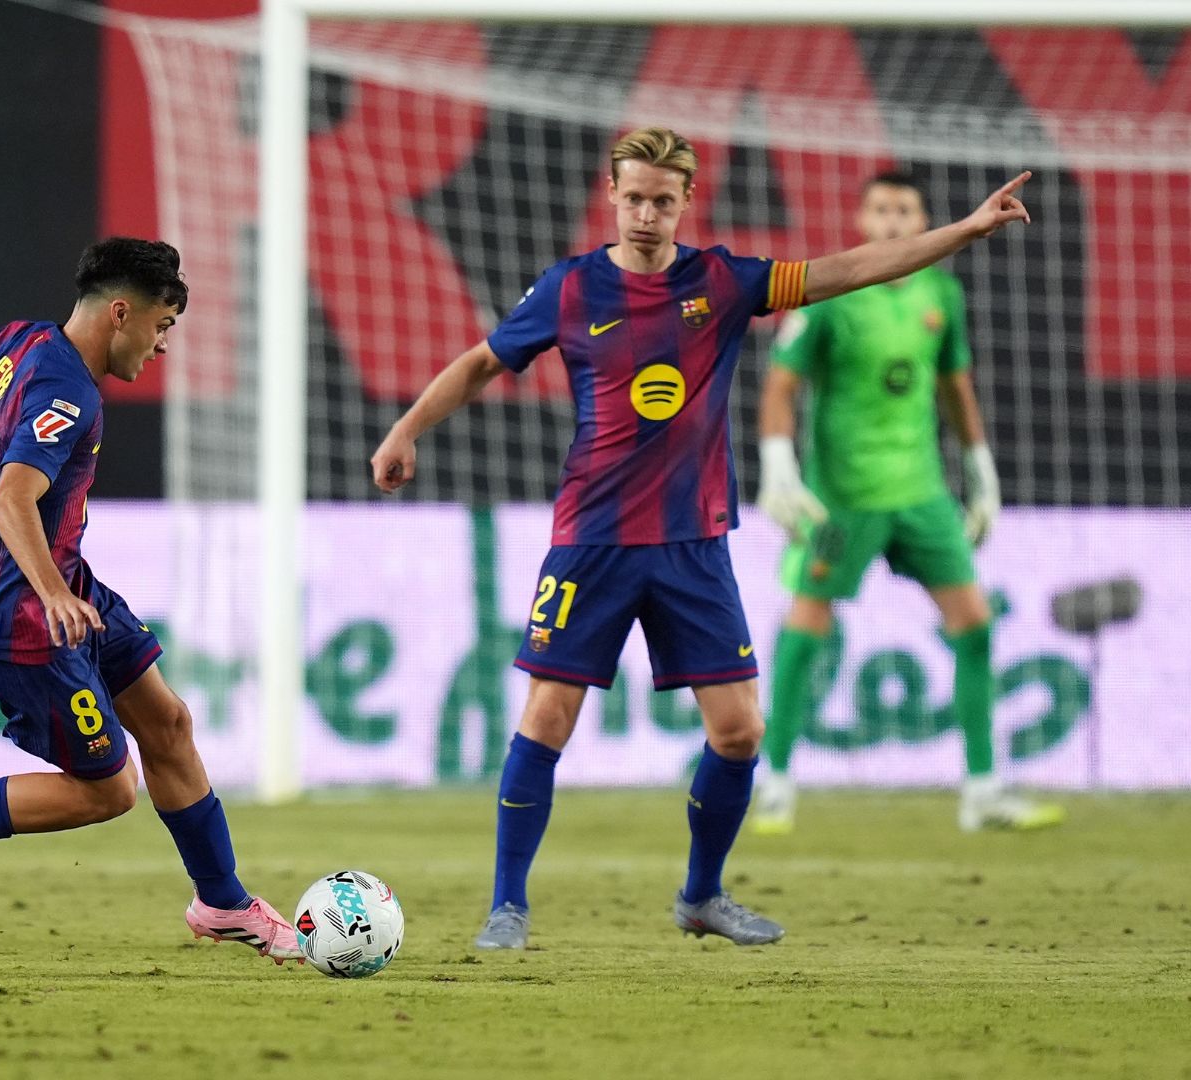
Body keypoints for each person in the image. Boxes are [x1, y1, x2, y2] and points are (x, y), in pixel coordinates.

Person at [368, 128, 1033, 949]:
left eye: (662, 200)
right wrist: (406, 429)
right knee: (548, 715)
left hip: (694, 545)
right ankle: (507, 906)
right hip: (594, 539)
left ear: (686, 201)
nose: (646, 214)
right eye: (633, 198)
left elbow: (849, 269)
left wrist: (964, 230)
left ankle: (702, 895)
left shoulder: (721, 282)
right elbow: (481, 362)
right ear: (612, 197)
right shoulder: (570, 289)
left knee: (740, 731)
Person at [0, 238, 302, 963]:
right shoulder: (67, 394)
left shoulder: (18, 342)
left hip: (66, 586)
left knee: (168, 723)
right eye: (162, 325)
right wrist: (50, 594)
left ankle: (223, 903)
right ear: (120, 314)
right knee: (109, 791)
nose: (163, 344)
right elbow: (13, 497)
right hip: (22, 615)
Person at [752, 172, 1063, 835]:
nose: (892, 221)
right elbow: (781, 384)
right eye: (881, 209)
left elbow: (955, 386)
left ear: (922, 221)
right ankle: (774, 779)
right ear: (863, 221)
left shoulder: (940, 294)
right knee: (808, 623)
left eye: (905, 210)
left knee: (974, 622)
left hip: (922, 492)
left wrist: (980, 472)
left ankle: (982, 790)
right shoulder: (830, 292)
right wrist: (777, 465)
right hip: (843, 496)